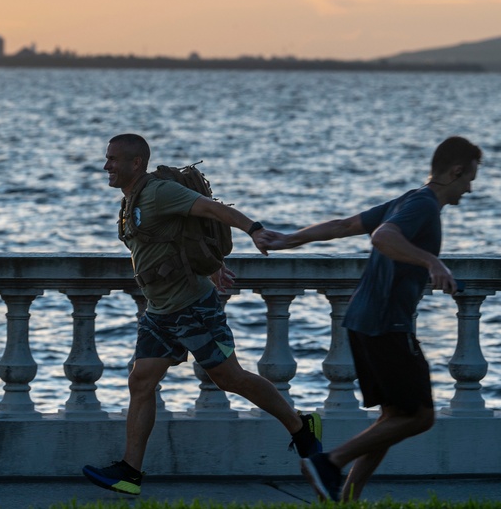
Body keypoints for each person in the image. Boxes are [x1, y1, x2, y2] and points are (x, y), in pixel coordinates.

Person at [82, 133, 323, 496]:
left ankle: (301, 427)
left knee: (231, 379)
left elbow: (211, 209)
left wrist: (254, 230)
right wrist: (210, 264)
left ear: (135, 163)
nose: (106, 166)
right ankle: (130, 472)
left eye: (113, 159)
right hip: (160, 311)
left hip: (194, 308)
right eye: (106, 158)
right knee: (141, 381)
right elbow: (176, 236)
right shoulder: (130, 199)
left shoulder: (159, 192)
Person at [261, 136, 482, 501]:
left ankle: (346, 495)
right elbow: (382, 237)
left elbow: (344, 225)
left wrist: (288, 240)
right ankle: (329, 463)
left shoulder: (409, 199)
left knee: (393, 417)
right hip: (386, 324)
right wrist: (432, 261)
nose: (470, 188)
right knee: (419, 417)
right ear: (457, 171)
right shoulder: (423, 206)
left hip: (363, 320)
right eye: (470, 178)